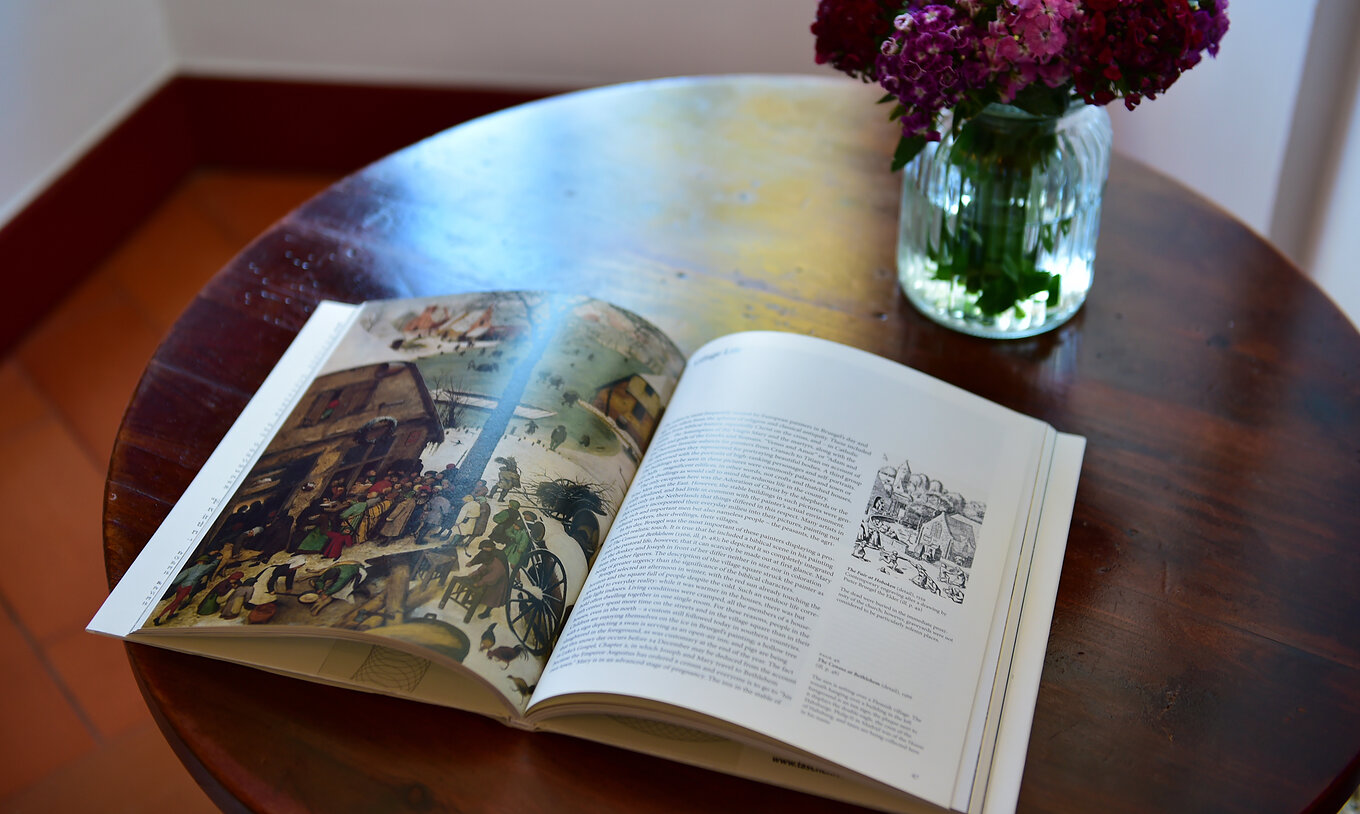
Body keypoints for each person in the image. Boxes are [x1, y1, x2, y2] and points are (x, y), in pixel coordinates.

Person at [443, 539, 510, 623]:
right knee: (481, 588)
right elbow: (484, 566)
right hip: (489, 574)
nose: (484, 549)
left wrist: (481, 582)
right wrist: (474, 571)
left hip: (499, 580)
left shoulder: (497, 559)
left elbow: (494, 575)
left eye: (486, 547)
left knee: (492, 597)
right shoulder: (488, 556)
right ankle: (476, 600)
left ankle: (487, 612)